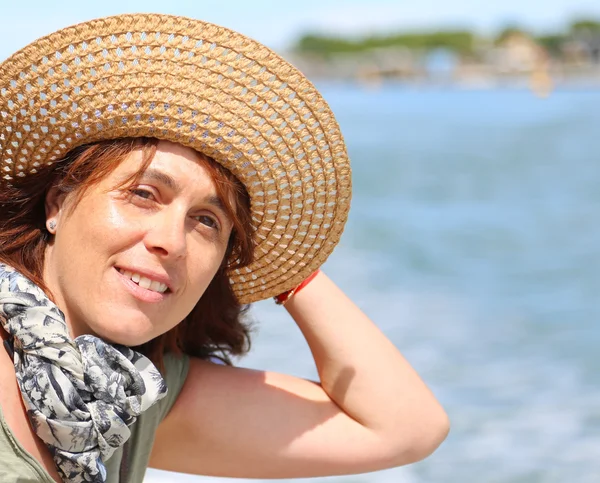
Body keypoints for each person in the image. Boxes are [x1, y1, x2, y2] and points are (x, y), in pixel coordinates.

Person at [0, 13, 449, 483]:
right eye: (143, 195)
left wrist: (291, 270)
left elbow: (404, 428)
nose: (172, 242)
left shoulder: (128, 395)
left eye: (207, 222)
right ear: (57, 201)